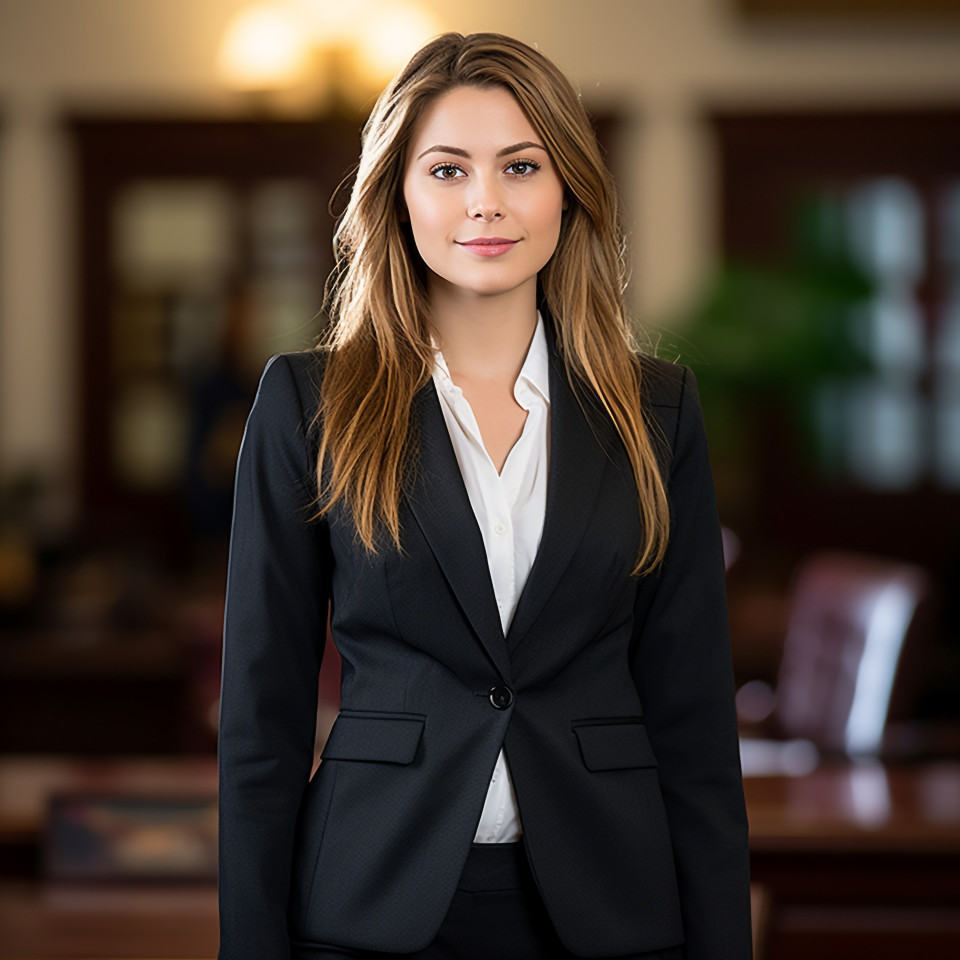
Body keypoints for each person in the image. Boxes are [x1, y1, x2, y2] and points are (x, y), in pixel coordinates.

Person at [218, 32, 751, 960]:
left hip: (610, 905)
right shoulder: (309, 403)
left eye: (520, 166)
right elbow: (260, 726)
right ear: (399, 195)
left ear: (567, 187)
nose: (487, 203)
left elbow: (695, 723)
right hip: (368, 902)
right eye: (448, 169)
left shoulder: (656, 411)